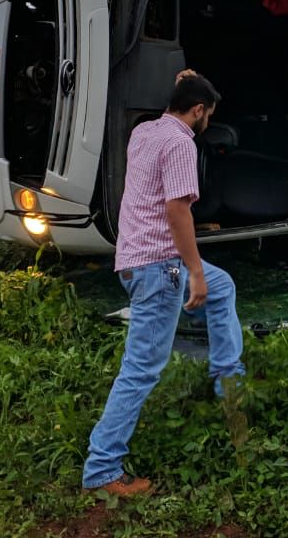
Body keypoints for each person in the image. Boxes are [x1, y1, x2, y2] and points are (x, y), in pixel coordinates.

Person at [82, 72, 246, 497]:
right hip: (161, 268)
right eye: (206, 113)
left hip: (136, 259)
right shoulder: (180, 143)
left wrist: (188, 82)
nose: (207, 120)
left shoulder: (145, 133)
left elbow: (178, 105)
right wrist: (193, 270)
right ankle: (102, 467)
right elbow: (177, 211)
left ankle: (227, 380)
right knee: (141, 369)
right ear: (197, 111)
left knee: (222, 284)